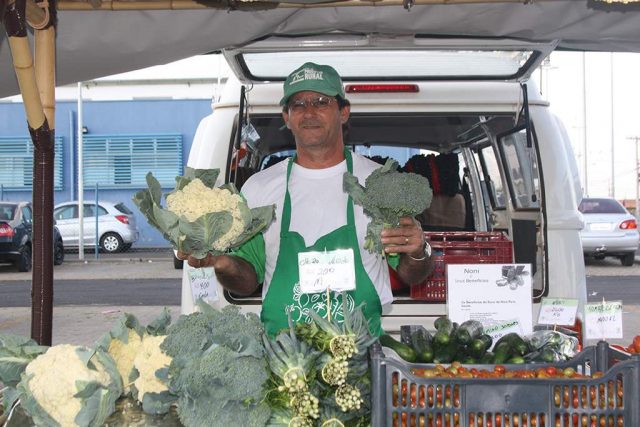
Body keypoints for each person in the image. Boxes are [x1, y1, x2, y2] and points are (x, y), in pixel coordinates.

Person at [179, 62, 432, 336]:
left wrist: (418, 252)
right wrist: (220, 263)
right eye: (298, 104)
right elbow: (246, 280)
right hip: (284, 360)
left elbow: (412, 274)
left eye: (321, 101)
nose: (309, 111)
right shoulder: (259, 188)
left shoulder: (378, 185)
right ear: (286, 117)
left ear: (343, 112)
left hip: (360, 354)